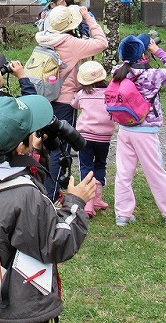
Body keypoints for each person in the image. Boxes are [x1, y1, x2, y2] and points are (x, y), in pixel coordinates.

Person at [0, 95, 97, 323]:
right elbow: (56, 243)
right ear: (19, 147)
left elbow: (12, 186)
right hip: (22, 307)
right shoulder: (23, 196)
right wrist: (76, 202)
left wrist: (31, 153)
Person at [35, 4, 108, 200]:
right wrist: (88, 18)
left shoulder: (43, 38)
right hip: (65, 101)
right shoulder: (70, 42)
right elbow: (102, 43)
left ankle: (40, 189)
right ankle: (50, 196)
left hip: (43, 99)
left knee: (43, 145)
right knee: (61, 149)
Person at [112, 34, 166, 226]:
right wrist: (157, 51)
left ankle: (122, 214)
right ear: (143, 54)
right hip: (146, 130)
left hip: (125, 128)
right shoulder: (153, 75)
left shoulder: (117, 71)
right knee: (155, 172)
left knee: (124, 173)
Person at [70, 60, 114, 217]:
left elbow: (74, 104)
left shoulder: (83, 94)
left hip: (85, 136)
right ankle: (97, 198)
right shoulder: (110, 93)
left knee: (86, 165)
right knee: (100, 164)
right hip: (104, 136)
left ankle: (88, 202)